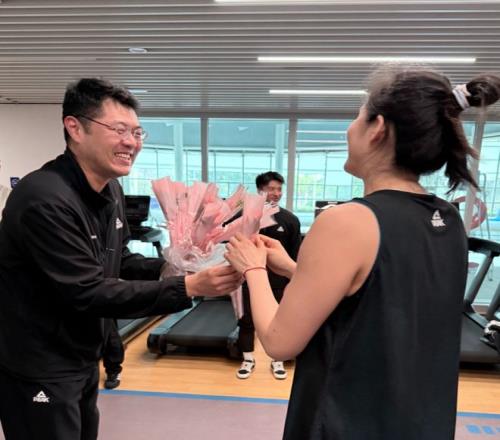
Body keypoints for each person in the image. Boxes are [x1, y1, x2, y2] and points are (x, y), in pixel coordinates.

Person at [225, 67, 500, 439]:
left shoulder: (347, 221)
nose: (349, 128)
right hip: (420, 422)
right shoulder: (447, 219)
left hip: (347, 422)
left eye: (356, 117)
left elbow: (278, 342)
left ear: (378, 128)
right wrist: (292, 268)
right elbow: (381, 297)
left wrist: (254, 269)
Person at [0, 78, 241, 440]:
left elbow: (119, 260)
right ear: (75, 128)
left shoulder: (109, 188)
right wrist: (188, 286)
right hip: (40, 364)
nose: (132, 142)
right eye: (119, 130)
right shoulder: (44, 199)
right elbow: (87, 291)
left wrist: (175, 266)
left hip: (82, 357)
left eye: (137, 132)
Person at [236, 171, 301, 380]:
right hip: (248, 279)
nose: (276, 193)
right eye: (271, 188)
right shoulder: (242, 218)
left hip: (278, 281)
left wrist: (293, 280)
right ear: (259, 190)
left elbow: (294, 256)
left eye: (279, 189)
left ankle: (277, 360)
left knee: (280, 320)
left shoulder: (290, 220)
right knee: (246, 320)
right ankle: (247, 359)